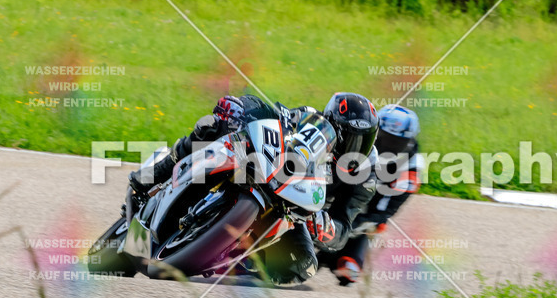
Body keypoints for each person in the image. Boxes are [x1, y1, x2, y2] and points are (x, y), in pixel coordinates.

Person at [128, 92, 379, 285]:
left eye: (361, 140)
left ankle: (237, 263)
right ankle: (153, 174)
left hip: (300, 212)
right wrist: (241, 107)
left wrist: (329, 230)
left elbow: (345, 225)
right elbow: (273, 114)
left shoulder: (366, 176)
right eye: (347, 136)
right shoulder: (309, 117)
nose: (352, 146)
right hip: (269, 170)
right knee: (212, 126)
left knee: (303, 265)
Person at [320, 103, 421, 285]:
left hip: (365, 210)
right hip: (334, 190)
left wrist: (353, 223)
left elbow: (384, 212)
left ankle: (337, 254)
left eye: (396, 142)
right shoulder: (358, 141)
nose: (387, 146)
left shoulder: (411, 168)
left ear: (409, 143)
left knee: (349, 269)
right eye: (383, 138)